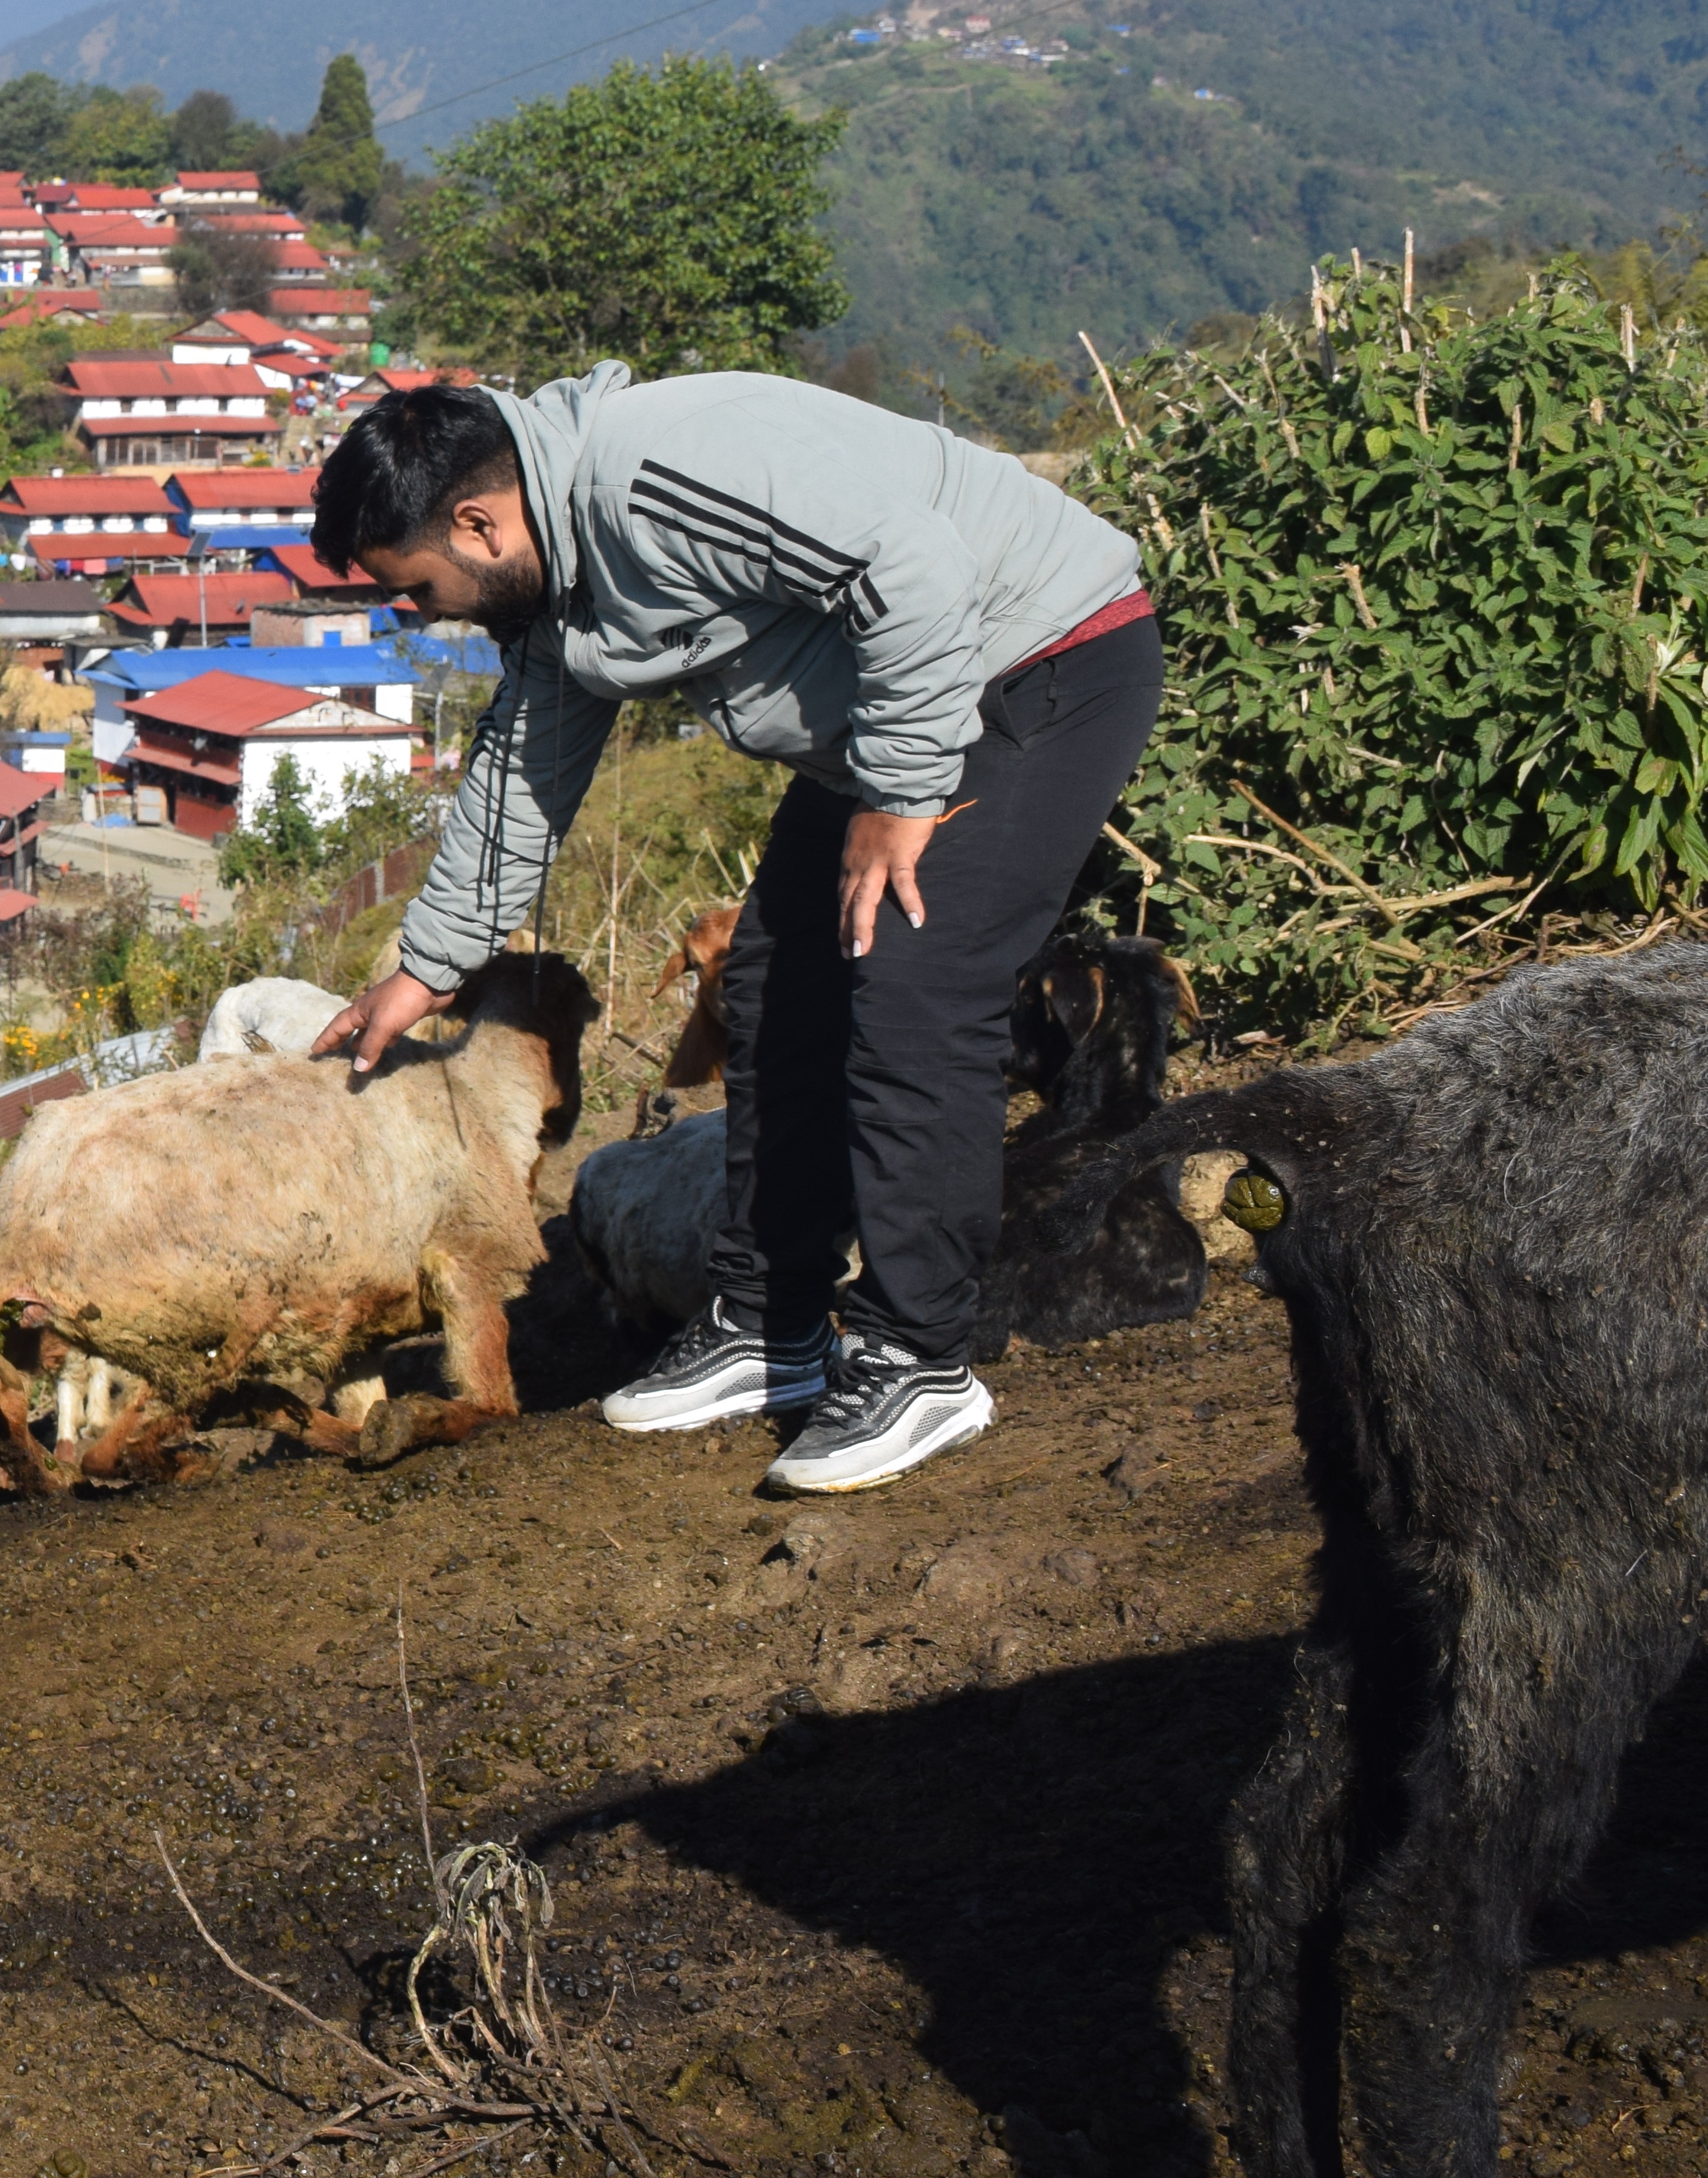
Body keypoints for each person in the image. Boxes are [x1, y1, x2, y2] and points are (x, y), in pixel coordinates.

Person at [306, 365, 1157, 1493]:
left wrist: (900, 798)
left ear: (476, 522)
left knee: (911, 979)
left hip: (1038, 660)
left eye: (416, 588)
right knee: (772, 980)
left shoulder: (663, 473)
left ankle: (920, 1357)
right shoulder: (550, 573)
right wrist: (428, 966)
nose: (424, 614)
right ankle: (773, 1324)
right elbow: (523, 767)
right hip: (896, 704)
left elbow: (915, 573)